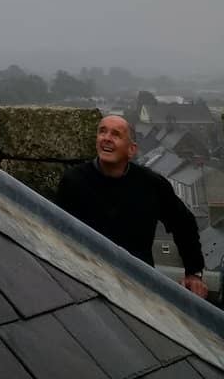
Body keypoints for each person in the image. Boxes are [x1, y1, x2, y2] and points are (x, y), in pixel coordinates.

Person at [57, 114, 207, 298]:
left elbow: (184, 224)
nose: (106, 138)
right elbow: (58, 231)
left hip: (138, 285)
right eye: (102, 132)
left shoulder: (151, 184)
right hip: (86, 282)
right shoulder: (74, 181)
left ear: (131, 149)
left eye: (116, 134)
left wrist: (194, 273)